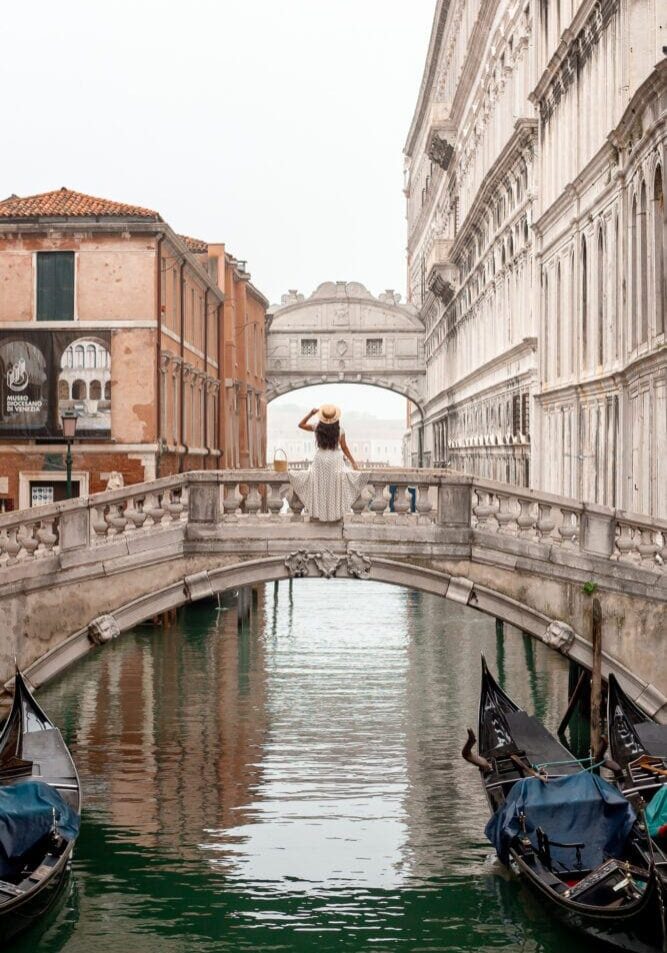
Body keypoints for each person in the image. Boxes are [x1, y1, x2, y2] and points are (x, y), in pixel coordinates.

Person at [288, 404, 368, 521]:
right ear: (336, 419)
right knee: (334, 485)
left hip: (320, 458)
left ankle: (320, 513)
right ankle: (332, 513)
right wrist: (353, 462)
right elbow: (344, 448)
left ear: (322, 418)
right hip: (335, 459)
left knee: (319, 483)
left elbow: (301, 425)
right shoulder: (340, 430)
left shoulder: (317, 427)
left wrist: (311, 413)